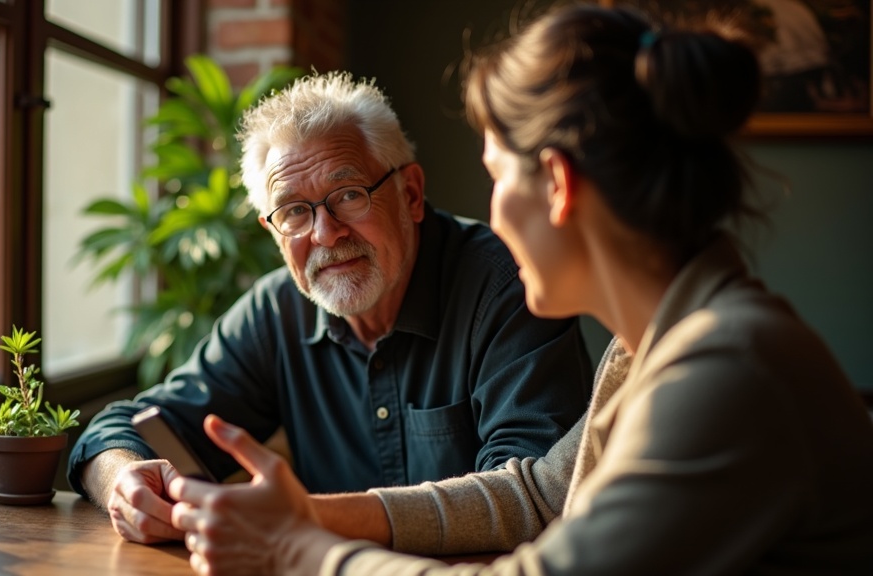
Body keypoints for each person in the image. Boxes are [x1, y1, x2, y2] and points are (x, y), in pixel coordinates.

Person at [165, 4, 873, 575]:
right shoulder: (650, 351)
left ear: (558, 186)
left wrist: (294, 550)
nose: (488, 207)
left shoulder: (726, 369)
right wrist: (308, 516)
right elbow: (534, 494)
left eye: (497, 174)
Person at [67, 71, 595, 543]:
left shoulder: (509, 284)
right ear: (273, 234)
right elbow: (121, 426)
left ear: (411, 194)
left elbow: (534, 499)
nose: (325, 233)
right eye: (294, 212)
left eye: (348, 195)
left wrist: (307, 519)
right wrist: (122, 481)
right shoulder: (276, 313)